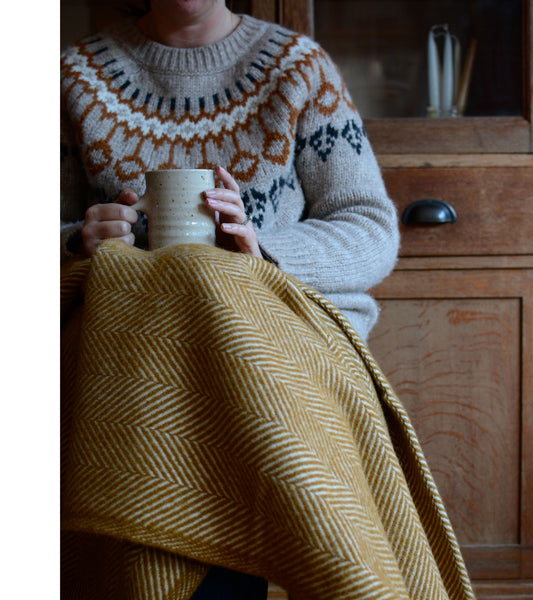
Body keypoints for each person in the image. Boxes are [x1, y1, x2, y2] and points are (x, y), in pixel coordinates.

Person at [61, 1, 400, 597]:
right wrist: (79, 239)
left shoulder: (300, 69)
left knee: (229, 401)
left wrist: (261, 249)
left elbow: (369, 229)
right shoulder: (72, 77)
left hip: (272, 345)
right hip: (137, 357)